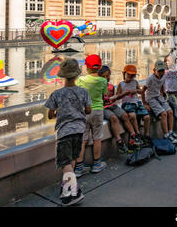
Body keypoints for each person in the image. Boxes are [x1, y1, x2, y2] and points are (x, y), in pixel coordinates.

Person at [45, 58, 91, 206]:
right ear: (77, 75)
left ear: (63, 76)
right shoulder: (83, 92)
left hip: (64, 131)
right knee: (71, 160)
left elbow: (50, 115)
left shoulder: (56, 94)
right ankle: (67, 189)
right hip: (79, 130)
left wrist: (61, 112)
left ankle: (75, 192)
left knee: (64, 162)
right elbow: (88, 110)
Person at [75, 54, 107, 177]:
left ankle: (78, 168)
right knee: (97, 138)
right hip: (98, 111)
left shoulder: (81, 80)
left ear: (86, 67)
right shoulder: (103, 80)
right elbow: (104, 95)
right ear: (99, 67)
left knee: (82, 140)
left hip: (83, 111)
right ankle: (96, 164)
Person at [98, 66, 143, 154]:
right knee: (113, 118)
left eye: (108, 76)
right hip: (103, 107)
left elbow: (114, 99)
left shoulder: (111, 86)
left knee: (125, 115)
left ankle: (134, 136)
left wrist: (122, 95)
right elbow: (101, 101)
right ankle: (119, 141)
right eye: (104, 76)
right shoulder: (98, 87)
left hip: (112, 105)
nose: (106, 78)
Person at [142, 60, 177, 143]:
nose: (161, 72)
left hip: (159, 97)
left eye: (162, 70)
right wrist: (144, 103)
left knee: (170, 111)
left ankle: (170, 132)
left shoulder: (164, 76)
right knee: (164, 113)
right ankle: (166, 135)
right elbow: (143, 90)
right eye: (159, 71)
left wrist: (162, 95)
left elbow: (162, 86)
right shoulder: (150, 79)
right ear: (154, 70)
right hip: (151, 98)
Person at [117, 65, 151, 144]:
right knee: (132, 115)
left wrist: (136, 90)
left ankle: (147, 135)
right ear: (124, 74)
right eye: (129, 74)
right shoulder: (121, 84)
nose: (131, 77)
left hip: (136, 103)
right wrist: (124, 94)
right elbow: (117, 96)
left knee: (147, 117)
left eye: (133, 75)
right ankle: (137, 133)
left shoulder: (135, 82)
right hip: (127, 104)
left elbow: (140, 91)